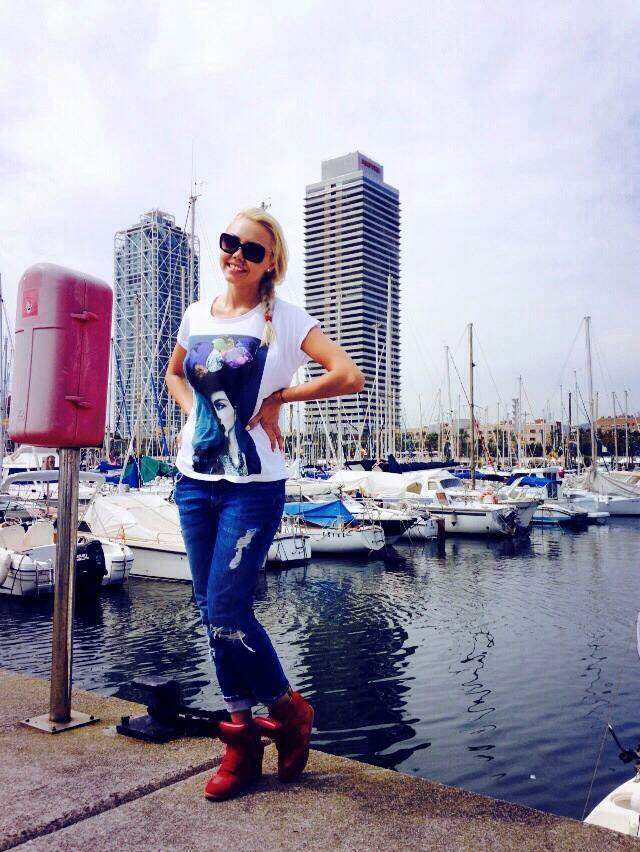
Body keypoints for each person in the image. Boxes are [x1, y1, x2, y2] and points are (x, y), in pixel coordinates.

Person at [165, 207, 364, 802]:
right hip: (193, 481)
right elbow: (174, 375)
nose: (237, 255)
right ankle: (247, 739)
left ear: (270, 261)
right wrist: (195, 417)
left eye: (252, 250)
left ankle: (285, 712)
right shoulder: (197, 314)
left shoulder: (284, 317)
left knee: (228, 608)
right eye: (230, 242)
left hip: (252, 489)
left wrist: (282, 397)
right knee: (211, 609)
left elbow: (347, 374)